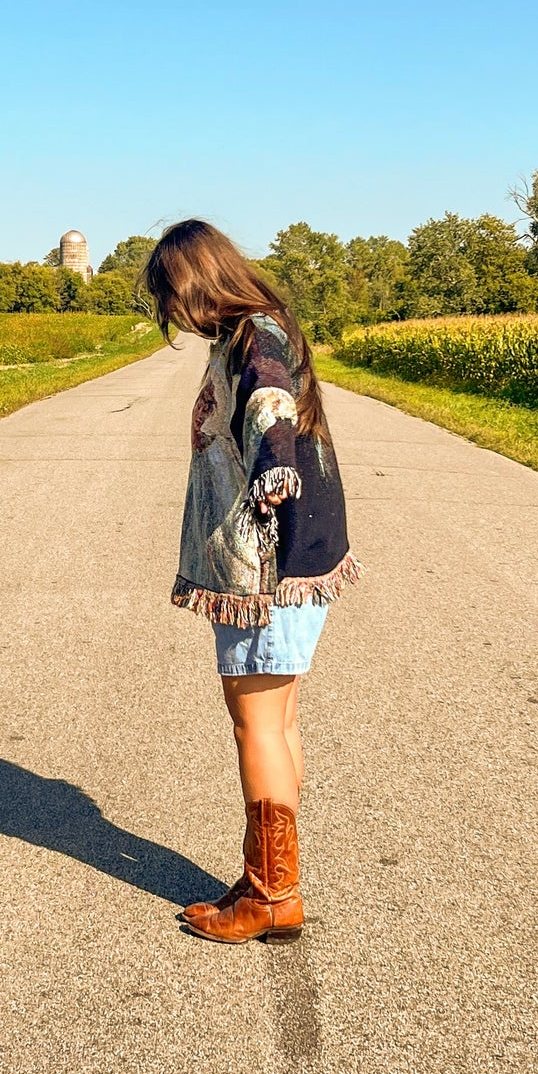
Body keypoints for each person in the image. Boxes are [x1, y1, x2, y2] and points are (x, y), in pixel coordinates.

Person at [143, 219, 361, 944]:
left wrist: (274, 460)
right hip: (295, 556)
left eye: (171, 297)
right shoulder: (265, 326)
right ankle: (271, 878)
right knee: (281, 719)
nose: (174, 314)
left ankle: (272, 893)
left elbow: (270, 403)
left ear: (194, 281)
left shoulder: (251, 335)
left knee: (258, 724)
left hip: (263, 564)